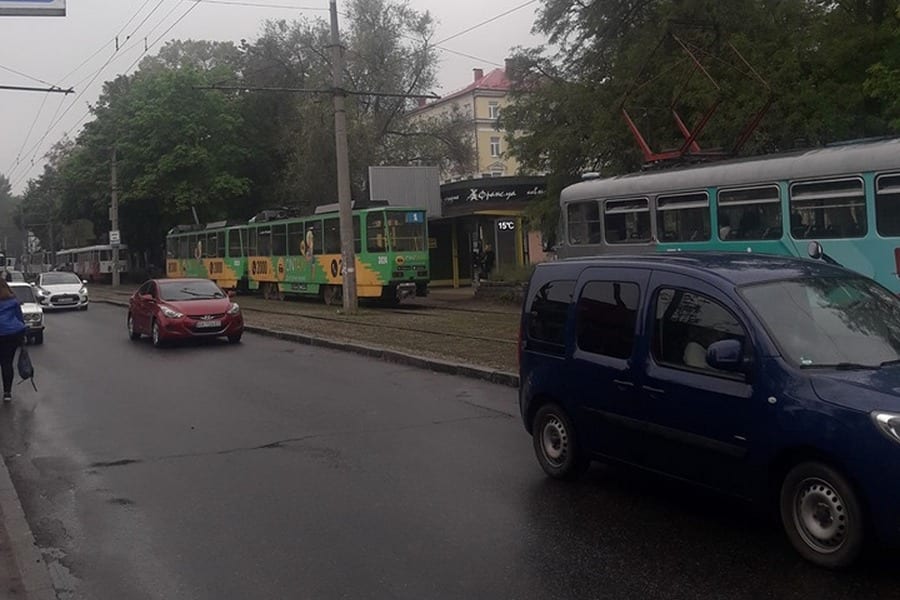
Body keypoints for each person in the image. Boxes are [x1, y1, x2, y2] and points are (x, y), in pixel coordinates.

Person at [0, 279, 26, 402]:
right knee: (7, 363)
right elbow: (19, 318)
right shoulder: (13, 301)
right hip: (12, 334)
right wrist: (23, 334)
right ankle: (7, 393)